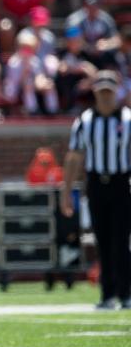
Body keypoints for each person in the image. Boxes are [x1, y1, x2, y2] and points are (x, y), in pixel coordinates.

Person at [61, 71, 131, 310]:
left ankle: (125, 293)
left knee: (121, 240)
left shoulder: (128, 119)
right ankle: (107, 293)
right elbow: (74, 157)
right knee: (103, 239)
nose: (106, 97)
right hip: (96, 184)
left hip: (122, 182)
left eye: (109, 92)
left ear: (117, 92)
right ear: (95, 92)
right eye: (102, 92)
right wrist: (66, 190)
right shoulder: (85, 121)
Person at [3, 31, 58, 116]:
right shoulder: (14, 62)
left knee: (49, 85)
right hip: (15, 91)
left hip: (33, 87)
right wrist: (24, 71)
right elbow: (15, 82)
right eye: (24, 48)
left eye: (30, 49)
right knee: (28, 85)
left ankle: (52, 111)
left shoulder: (34, 60)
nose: (27, 51)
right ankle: (32, 111)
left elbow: (39, 75)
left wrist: (41, 82)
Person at [66, 0, 120, 69]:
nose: (92, 8)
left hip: (101, 55)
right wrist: (85, 45)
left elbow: (117, 40)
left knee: (115, 58)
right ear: (84, 5)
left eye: (95, 5)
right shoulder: (75, 20)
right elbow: (70, 41)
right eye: (89, 5)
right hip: (81, 55)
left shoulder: (106, 19)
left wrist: (106, 44)